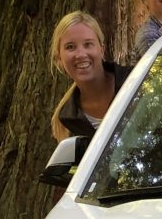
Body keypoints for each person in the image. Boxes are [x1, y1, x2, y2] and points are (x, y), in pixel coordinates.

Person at [50, 11, 132, 141]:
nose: (81, 54)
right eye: (70, 47)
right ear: (59, 58)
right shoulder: (67, 121)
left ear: (102, 50)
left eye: (88, 44)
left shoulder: (136, 81)